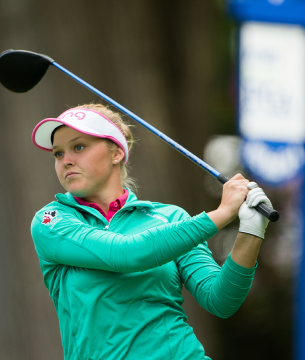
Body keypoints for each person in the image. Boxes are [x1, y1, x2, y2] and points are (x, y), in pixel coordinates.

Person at [30, 103, 272, 360]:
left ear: (116, 153)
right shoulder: (51, 220)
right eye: (58, 154)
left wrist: (251, 231)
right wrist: (223, 213)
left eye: (79, 147)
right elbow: (125, 254)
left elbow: (220, 300)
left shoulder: (170, 218)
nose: (66, 161)